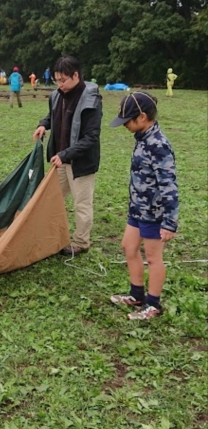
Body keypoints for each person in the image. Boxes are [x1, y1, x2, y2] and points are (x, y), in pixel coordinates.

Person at [109, 92, 178, 320]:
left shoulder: (158, 145)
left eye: (127, 120)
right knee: (129, 247)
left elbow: (168, 185)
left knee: (153, 257)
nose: (125, 125)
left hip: (154, 213)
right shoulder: (142, 138)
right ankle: (136, 295)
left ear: (142, 117)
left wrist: (169, 222)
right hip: (137, 209)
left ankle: (153, 305)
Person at [32, 55, 102, 256]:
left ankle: (81, 242)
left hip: (80, 163)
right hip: (60, 160)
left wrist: (66, 154)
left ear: (76, 76)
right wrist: (43, 125)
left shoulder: (91, 100)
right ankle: (52, 234)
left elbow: (91, 137)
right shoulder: (56, 95)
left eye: (63, 80)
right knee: (53, 198)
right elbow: (52, 116)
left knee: (82, 204)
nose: (59, 84)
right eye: (57, 80)